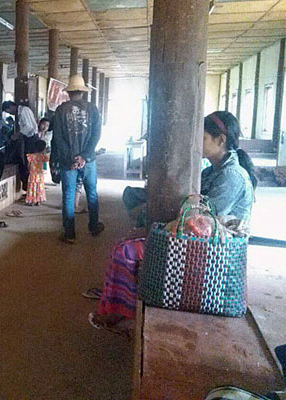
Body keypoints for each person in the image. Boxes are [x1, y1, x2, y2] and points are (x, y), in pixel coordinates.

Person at [88, 111, 256, 337]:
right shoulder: (213, 170)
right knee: (131, 221)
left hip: (212, 250)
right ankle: (117, 304)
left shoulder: (232, 176)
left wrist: (164, 227)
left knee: (126, 251)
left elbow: (203, 222)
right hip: (199, 238)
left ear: (221, 140)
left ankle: (125, 316)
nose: (198, 143)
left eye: (203, 138)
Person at [51, 75, 104, 243]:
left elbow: (58, 138)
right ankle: (94, 227)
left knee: (68, 196)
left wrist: (72, 158)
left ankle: (69, 234)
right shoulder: (93, 109)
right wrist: (85, 156)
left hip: (68, 162)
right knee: (92, 193)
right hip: (88, 161)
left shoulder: (60, 110)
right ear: (82, 91)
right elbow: (96, 135)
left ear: (69, 92)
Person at [2, 101, 39, 190]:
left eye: (9, 111)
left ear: (11, 106)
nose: (10, 113)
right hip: (29, 138)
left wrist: (17, 135)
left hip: (31, 139)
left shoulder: (23, 112)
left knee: (29, 163)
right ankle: (30, 191)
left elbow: (27, 127)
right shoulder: (23, 111)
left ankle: (31, 190)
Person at [25, 140, 49, 206]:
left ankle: (31, 200)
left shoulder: (31, 156)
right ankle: (38, 200)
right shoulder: (43, 156)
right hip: (40, 174)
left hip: (32, 174)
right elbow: (47, 160)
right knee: (39, 187)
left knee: (32, 187)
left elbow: (28, 164)